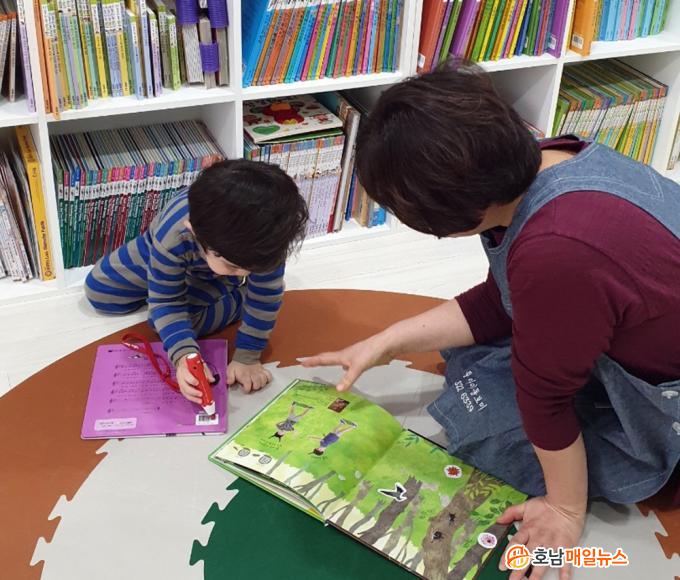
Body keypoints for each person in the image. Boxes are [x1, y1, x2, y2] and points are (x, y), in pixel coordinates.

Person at [302, 61, 680, 579]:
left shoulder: (555, 253)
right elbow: (503, 300)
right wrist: (385, 342)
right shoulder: (553, 157)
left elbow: (544, 398)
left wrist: (564, 509)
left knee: (491, 431)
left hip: (661, 397)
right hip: (621, 327)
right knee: (481, 364)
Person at [85, 159, 308, 401]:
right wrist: (185, 357)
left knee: (176, 322)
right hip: (161, 252)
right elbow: (167, 303)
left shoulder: (268, 243)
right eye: (234, 267)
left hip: (213, 269)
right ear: (194, 232)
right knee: (100, 292)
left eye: (251, 270)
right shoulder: (175, 236)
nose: (245, 274)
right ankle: (235, 295)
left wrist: (248, 357)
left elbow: (265, 298)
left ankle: (235, 294)